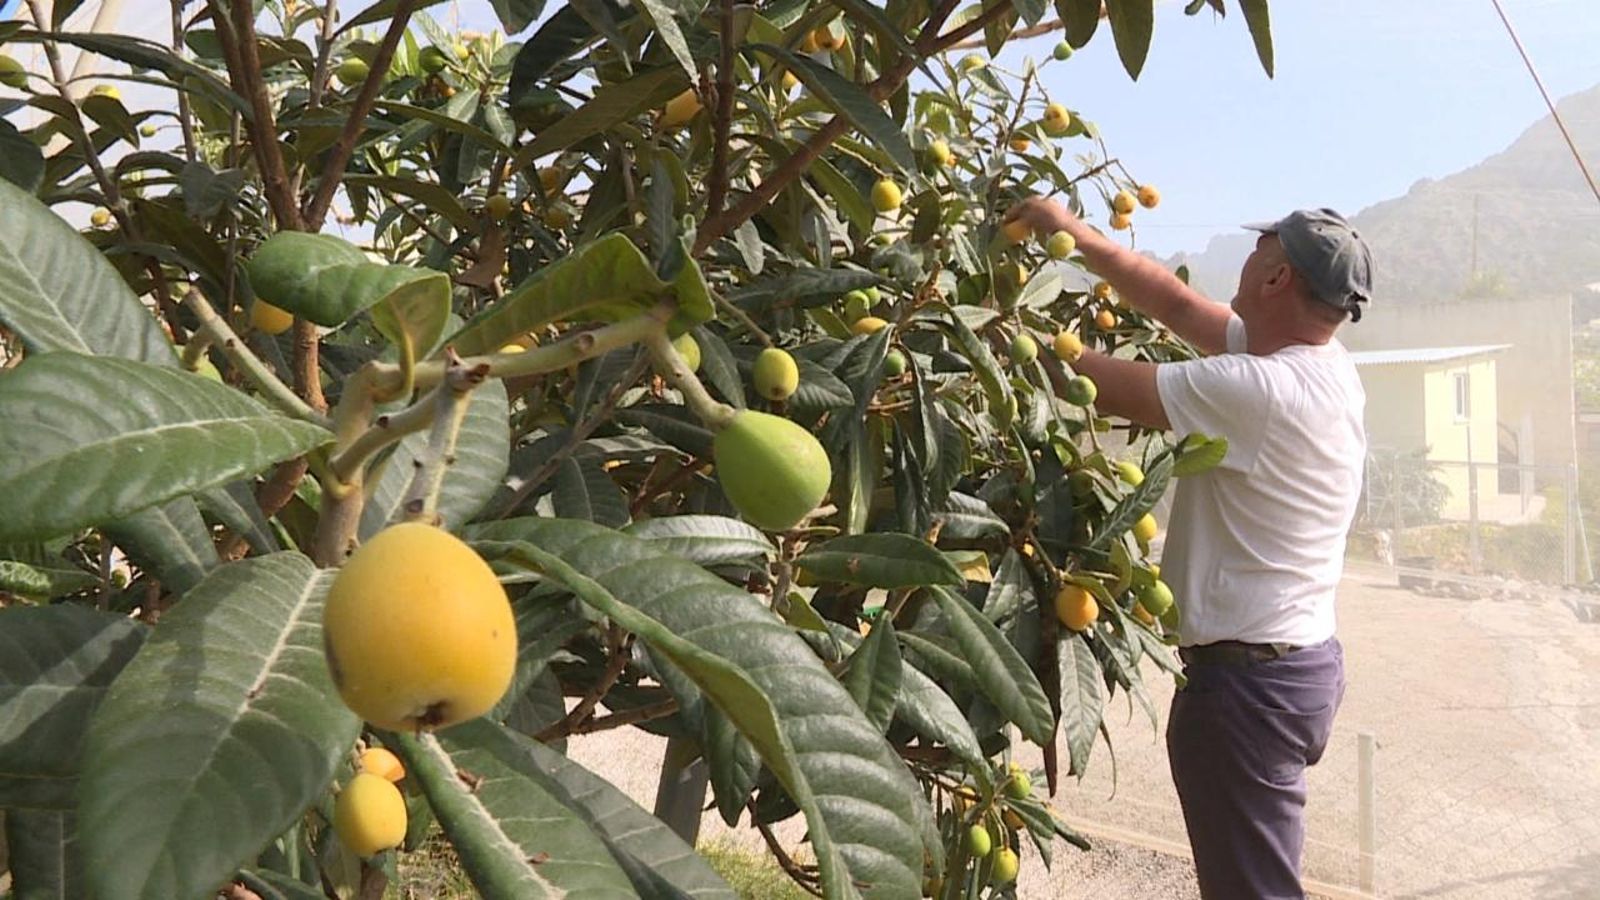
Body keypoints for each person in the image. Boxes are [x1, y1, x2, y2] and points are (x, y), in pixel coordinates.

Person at [1006, 199, 1374, 899]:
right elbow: (1173, 301)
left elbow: (1084, 381)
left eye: (1259, 248)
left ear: (1276, 278)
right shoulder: (1320, 365)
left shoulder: (1258, 390)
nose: (1245, 260)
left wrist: (973, 322)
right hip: (1294, 666)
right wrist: (1078, 235)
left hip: (1249, 689)